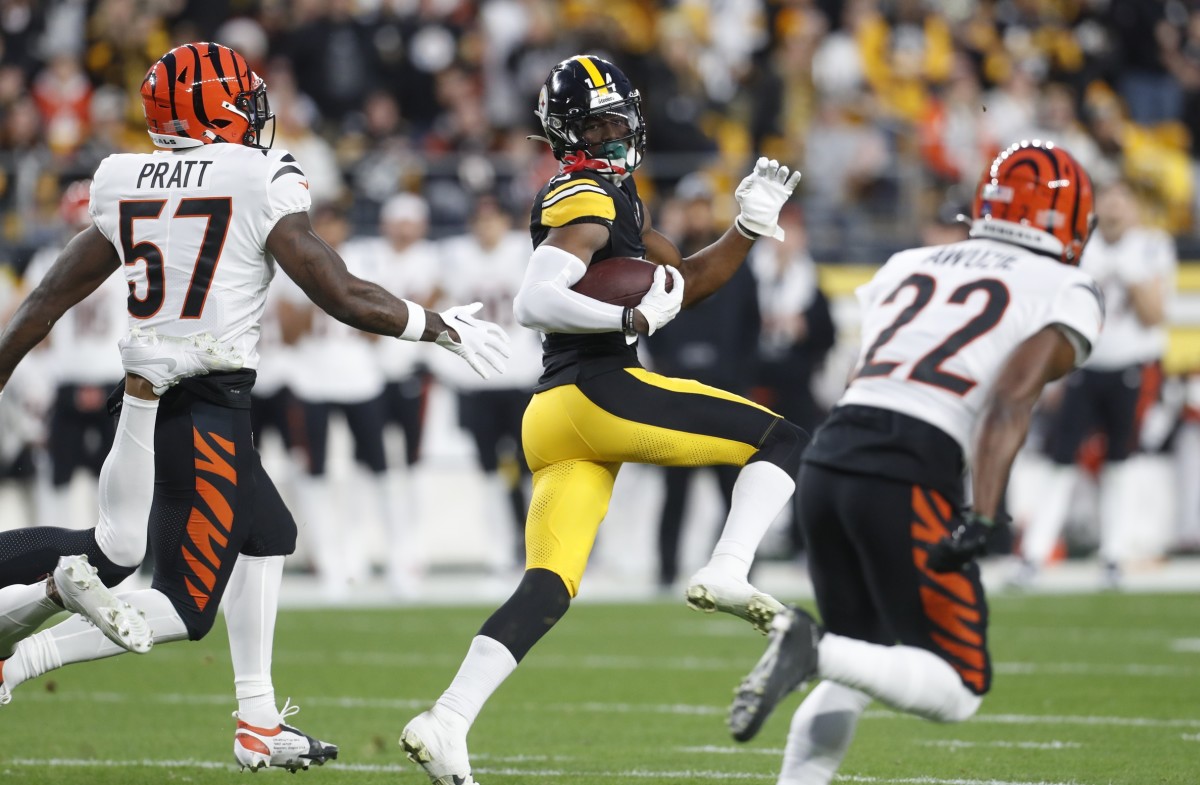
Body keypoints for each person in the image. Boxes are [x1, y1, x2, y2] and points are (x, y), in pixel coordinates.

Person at [0, 42, 509, 772]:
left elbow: (44, 302)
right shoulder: (257, 175)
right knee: (180, 605)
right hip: (203, 404)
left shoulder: (121, 177)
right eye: (242, 100)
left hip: (158, 396)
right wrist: (438, 327)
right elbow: (338, 291)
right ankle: (13, 662)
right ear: (211, 109)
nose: (255, 115)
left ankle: (259, 720)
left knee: (267, 531)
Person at [399, 54, 803, 785]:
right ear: (568, 132)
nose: (616, 132)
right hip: (597, 390)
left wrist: (745, 228)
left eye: (618, 118)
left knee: (548, 585)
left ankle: (446, 719)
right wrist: (626, 313)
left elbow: (682, 284)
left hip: (555, 416)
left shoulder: (610, 196)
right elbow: (533, 298)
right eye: (600, 122)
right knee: (783, 440)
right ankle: (729, 569)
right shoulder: (586, 194)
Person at [724, 140, 1103, 785]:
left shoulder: (910, 262)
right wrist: (984, 516)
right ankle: (809, 647)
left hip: (832, 455)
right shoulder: (1065, 286)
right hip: (904, 468)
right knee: (959, 686)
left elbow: (859, 374)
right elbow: (1012, 398)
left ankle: (815, 670)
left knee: (858, 660)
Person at [1014, 178, 1176, 589]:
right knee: (1060, 459)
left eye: (1123, 197)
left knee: (1121, 460)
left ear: (1134, 205)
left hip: (1130, 368)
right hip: (1083, 367)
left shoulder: (1151, 247)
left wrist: (1129, 276)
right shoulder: (1081, 248)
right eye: (1109, 198)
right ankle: (1035, 554)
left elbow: (1154, 315)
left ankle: (1114, 554)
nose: (1116, 206)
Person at [429, 194, 544, 573]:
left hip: (521, 374)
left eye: (492, 219)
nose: (486, 227)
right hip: (476, 378)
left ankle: (538, 542)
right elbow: (434, 302)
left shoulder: (524, 252)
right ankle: (503, 544)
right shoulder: (455, 257)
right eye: (480, 220)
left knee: (534, 466)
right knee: (490, 468)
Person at [22, 180, 127, 529]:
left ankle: (109, 554)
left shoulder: (49, 262)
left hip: (97, 381)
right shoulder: (127, 264)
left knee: (110, 477)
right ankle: (110, 554)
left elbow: (30, 326)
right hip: (95, 379)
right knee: (65, 476)